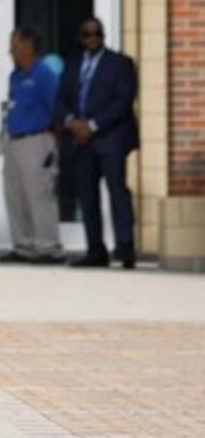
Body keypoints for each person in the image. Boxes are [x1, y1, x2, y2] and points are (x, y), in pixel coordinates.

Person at [55, 15, 139, 268]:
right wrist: (71, 122)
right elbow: (60, 101)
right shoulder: (72, 64)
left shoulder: (120, 63)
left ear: (103, 36)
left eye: (97, 34)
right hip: (80, 142)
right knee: (87, 196)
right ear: (80, 38)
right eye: (87, 35)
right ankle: (95, 250)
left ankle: (124, 248)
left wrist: (92, 125)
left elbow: (123, 101)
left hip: (110, 139)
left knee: (117, 192)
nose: (92, 39)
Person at [0, 27, 63, 264]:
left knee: (39, 195)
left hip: (38, 140)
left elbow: (58, 106)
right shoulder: (15, 76)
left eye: (14, 45)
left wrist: (54, 141)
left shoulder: (44, 74)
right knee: (15, 195)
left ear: (28, 47)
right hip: (14, 141)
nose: (10, 51)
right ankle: (24, 246)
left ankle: (49, 247)